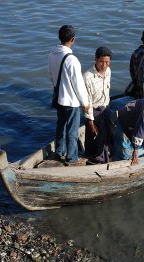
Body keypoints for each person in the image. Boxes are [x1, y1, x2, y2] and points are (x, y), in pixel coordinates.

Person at [48, 25, 90, 166]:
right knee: (72, 130)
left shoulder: (52, 54)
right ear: (73, 39)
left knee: (60, 125)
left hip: (59, 97)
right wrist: (85, 103)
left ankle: (60, 151)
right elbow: (78, 84)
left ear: (60, 38)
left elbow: (51, 76)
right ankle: (72, 158)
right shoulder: (72, 59)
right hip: (71, 101)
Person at [83, 47, 113, 164]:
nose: (104, 65)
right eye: (101, 62)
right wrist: (90, 121)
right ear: (95, 59)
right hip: (93, 111)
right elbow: (87, 102)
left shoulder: (108, 71)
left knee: (107, 134)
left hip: (105, 108)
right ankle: (99, 159)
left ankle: (101, 155)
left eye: (107, 62)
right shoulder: (87, 77)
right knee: (96, 135)